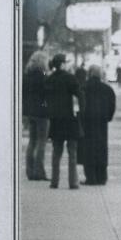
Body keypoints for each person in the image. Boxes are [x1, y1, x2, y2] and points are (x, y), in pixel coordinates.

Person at [45, 53, 81, 190]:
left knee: (56, 153)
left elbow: (45, 99)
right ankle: (73, 182)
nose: (67, 64)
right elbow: (79, 95)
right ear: (61, 64)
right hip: (70, 119)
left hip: (56, 120)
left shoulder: (50, 80)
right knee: (72, 153)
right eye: (65, 62)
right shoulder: (70, 79)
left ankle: (54, 181)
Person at [80, 65, 116, 185]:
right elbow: (112, 106)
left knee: (88, 149)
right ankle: (102, 177)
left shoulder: (84, 88)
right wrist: (108, 117)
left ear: (89, 74)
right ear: (100, 74)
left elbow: (80, 105)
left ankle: (91, 177)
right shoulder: (107, 89)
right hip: (101, 122)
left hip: (87, 122)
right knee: (101, 148)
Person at [22, 50, 49, 180]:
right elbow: (47, 95)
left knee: (32, 141)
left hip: (29, 112)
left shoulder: (26, 75)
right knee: (41, 142)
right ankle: (39, 171)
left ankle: (30, 171)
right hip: (42, 113)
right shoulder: (43, 76)